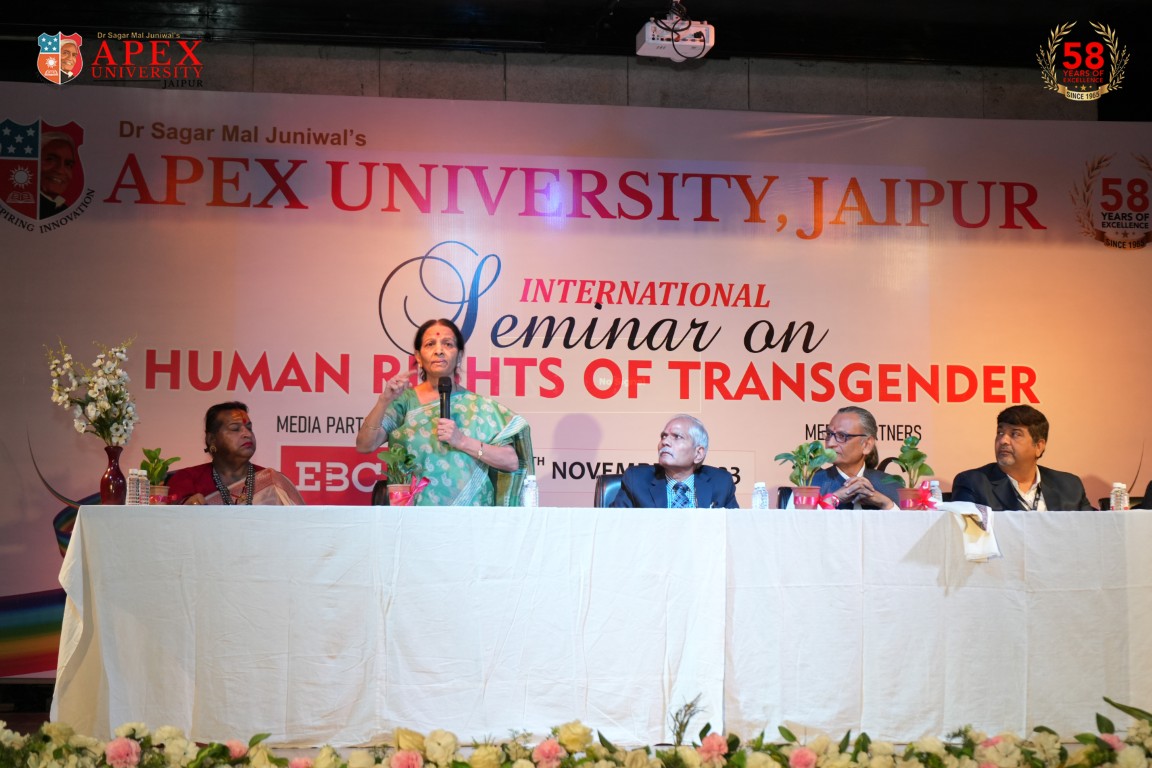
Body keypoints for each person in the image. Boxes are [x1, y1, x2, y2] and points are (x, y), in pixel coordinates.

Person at [355, 318, 533, 506]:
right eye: (430, 344)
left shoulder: (480, 407)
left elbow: (511, 461)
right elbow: (364, 446)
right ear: (418, 356)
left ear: (459, 355)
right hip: (414, 516)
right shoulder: (404, 402)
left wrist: (462, 441)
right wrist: (384, 401)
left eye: (448, 344)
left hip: (472, 516)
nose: (439, 350)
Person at [951, 405, 1092, 511]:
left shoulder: (1070, 486)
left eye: (1015, 434)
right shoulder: (973, 483)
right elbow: (970, 537)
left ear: (1039, 446)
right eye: (1000, 432)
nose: (1003, 440)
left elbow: (1089, 533)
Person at [168, 401, 305, 505]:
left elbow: (301, 526)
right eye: (235, 429)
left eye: (249, 428)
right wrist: (187, 508)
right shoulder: (187, 479)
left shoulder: (271, 481)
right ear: (211, 439)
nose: (247, 434)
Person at [609, 414, 738, 508]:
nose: (665, 441)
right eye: (663, 436)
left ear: (698, 453)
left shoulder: (721, 483)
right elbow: (614, 526)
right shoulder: (636, 480)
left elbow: (735, 529)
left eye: (677, 437)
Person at [808, 406, 900, 509]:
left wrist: (887, 505)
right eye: (829, 434)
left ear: (866, 444)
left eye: (842, 436)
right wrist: (832, 499)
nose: (830, 443)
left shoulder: (892, 486)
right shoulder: (810, 486)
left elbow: (908, 519)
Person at [40, 132, 76, 218]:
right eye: (50, 159)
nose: (60, 170)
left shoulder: (65, 211)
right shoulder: (24, 208)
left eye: (68, 164)